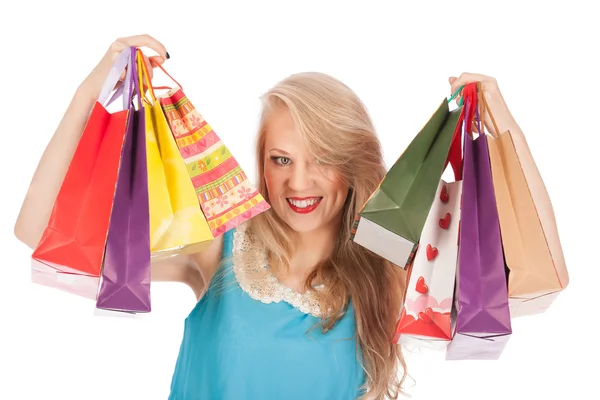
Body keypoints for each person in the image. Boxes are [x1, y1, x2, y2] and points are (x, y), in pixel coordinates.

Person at [13, 34, 548, 400]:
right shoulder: (217, 248)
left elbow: (541, 283)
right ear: (262, 167)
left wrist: (506, 130)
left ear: (353, 166)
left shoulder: (391, 275)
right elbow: (41, 232)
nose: (299, 182)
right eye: (282, 159)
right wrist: (94, 91)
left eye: (321, 160)